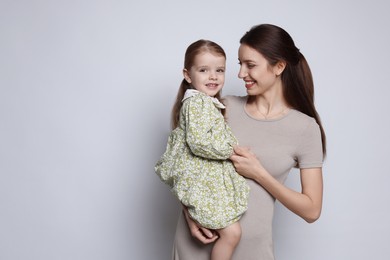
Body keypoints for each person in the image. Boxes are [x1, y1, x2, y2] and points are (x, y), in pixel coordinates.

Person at [170, 24, 326, 260]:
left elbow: (312, 210)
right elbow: (182, 161)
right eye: (240, 64)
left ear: (279, 67)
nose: (241, 74)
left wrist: (260, 173)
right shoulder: (222, 107)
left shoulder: (305, 129)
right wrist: (189, 214)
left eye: (250, 65)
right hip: (196, 246)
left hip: (253, 252)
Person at [155, 39, 250, 260]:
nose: (213, 76)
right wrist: (230, 151)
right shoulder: (198, 103)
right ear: (188, 75)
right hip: (202, 183)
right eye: (204, 70)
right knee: (233, 233)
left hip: (205, 182)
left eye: (220, 70)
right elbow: (199, 143)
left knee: (232, 232)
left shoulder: (203, 103)